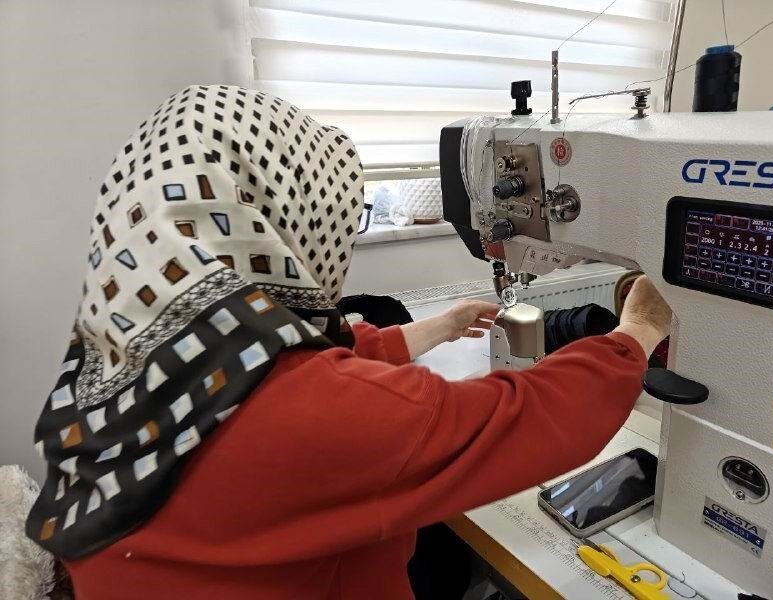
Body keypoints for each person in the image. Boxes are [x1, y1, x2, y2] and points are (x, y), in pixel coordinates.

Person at [26, 85, 672, 599]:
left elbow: (262, 363)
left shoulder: (117, 356)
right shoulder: (313, 419)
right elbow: (526, 418)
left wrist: (432, 329)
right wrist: (637, 330)